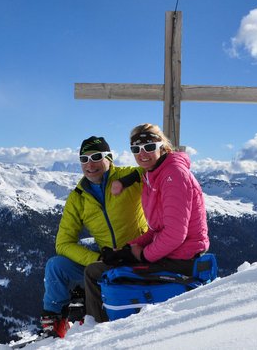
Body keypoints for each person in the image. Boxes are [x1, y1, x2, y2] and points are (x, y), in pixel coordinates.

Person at [41, 136, 148, 337]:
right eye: (84, 159)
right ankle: (55, 326)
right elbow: (63, 243)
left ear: (109, 158)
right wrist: (97, 259)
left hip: (138, 254)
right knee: (55, 266)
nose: (89, 164)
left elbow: (164, 167)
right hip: (106, 260)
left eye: (96, 157)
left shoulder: (130, 178)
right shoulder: (78, 197)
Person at [111, 123, 210, 284]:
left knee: (102, 274)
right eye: (136, 149)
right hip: (171, 252)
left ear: (161, 146)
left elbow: (175, 235)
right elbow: (157, 229)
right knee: (108, 267)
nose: (142, 154)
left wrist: (143, 255)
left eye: (149, 147)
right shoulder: (152, 174)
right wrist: (129, 248)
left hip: (183, 258)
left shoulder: (174, 175)